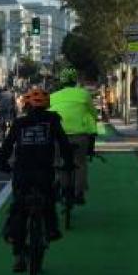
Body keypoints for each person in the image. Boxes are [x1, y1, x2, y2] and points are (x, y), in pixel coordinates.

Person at [0, 87, 74, 273]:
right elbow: (64, 144)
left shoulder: (20, 123)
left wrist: (3, 164)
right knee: (48, 201)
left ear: (26, 105)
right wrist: (68, 162)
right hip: (44, 171)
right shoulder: (52, 120)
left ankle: (18, 255)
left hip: (22, 172)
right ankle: (51, 229)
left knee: (19, 208)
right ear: (46, 105)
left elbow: (7, 145)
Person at [49, 69, 98, 206]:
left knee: (60, 162)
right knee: (80, 163)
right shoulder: (84, 94)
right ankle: (79, 193)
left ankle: (63, 188)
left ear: (61, 82)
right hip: (79, 136)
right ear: (75, 80)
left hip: (59, 136)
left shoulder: (53, 96)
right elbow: (93, 114)